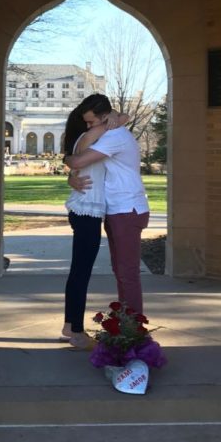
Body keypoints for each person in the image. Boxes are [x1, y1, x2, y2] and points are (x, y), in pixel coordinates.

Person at [64, 94, 150, 316]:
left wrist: (68, 160)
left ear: (104, 118)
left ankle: (134, 333)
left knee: (127, 273)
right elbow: (86, 165)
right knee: (121, 271)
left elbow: (80, 160)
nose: (88, 127)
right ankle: (126, 326)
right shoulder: (107, 133)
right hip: (115, 209)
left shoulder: (115, 136)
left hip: (127, 209)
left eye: (92, 122)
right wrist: (70, 176)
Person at [60, 102, 127, 349]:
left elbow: (124, 118)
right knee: (81, 273)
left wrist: (117, 116)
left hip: (87, 210)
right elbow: (75, 163)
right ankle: (76, 331)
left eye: (92, 121)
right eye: (86, 122)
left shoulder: (98, 134)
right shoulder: (91, 135)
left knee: (79, 271)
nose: (89, 127)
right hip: (85, 211)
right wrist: (113, 118)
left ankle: (70, 325)